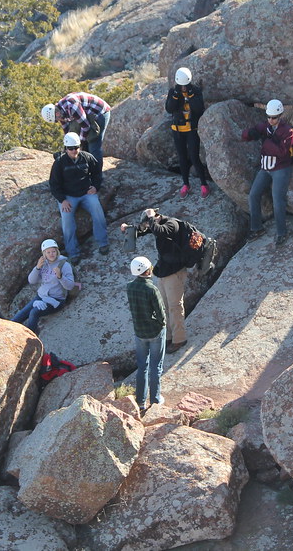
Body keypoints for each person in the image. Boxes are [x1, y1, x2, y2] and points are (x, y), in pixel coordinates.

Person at [121, 208, 189, 354]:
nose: (147, 227)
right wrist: (129, 229)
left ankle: (179, 339)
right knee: (164, 306)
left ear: (155, 218)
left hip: (175, 272)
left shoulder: (172, 224)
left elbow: (159, 231)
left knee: (174, 306)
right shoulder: (156, 224)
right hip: (164, 271)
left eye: (149, 223)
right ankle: (169, 337)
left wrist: (150, 218)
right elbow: (144, 230)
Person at [48, 132, 109, 261]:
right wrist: (62, 200)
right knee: (67, 222)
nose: (74, 151)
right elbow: (54, 184)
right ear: (65, 148)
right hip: (68, 196)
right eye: (70, 148)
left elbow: (97, 173)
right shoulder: (59, 163)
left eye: (76, 147)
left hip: (86, 193)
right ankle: (73, 253)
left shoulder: (87, 157)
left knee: (97, 211)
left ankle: (103, 242)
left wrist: (95, 187)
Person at [242, 99, 293, 246]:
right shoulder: (266, 126)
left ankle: (282, 232)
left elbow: (282, 152)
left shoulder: (288, 131)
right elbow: (254, 131)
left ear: (280, 116)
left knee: (278, 201)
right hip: (265, 168)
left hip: (280, 169)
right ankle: (257, 228)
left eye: (274, 117)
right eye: (269, 117)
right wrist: (248, 133)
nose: (271, 120)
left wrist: (266, 143)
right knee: (253, 195)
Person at [126, 255, 166, 413]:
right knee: (156, 367)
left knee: (142, 366)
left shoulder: (130, 287)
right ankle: (155, 399)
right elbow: (161, 314)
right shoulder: (152, 289)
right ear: (147, 270)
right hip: (155, 332)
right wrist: (161, 324)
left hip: (139, 332)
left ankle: (140, 401)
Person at [11, 239, 75, 335]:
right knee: (17, 318)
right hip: (41, 297)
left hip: (56, 300)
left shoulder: (64, 265)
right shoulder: (43, 264)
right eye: (48, 252)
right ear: (44, 253)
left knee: (34, 312)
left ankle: (31, 335)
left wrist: (60, 276)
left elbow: (70, 286)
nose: (51, 254)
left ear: (57, 251)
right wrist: (37, 268)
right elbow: (31, 281)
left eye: (53, 251)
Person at [166, 67, 209, 198]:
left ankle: (204, 185)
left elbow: (199, 109)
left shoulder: (195, 91)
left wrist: (190, 96)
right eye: (181, 85)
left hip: (191, 130)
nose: (183, 88)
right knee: (182, 158)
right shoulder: (173, 91)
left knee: (194, 157)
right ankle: (186, 184)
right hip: (178, 130)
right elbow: (169, 109)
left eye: (185, 85)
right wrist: (175, 96)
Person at [41, 92, 112, 164]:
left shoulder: (72, 106)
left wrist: (79, 143)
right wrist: (67, 145)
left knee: (93, 143)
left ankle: (97, 173)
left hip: (99, 112)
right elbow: (67, 129)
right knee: (83, 144)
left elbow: (85, 126)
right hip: (86, 114)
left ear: (57, 113)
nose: (59, 120)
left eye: (57, 119)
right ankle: (86, 169)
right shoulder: (60, 111)